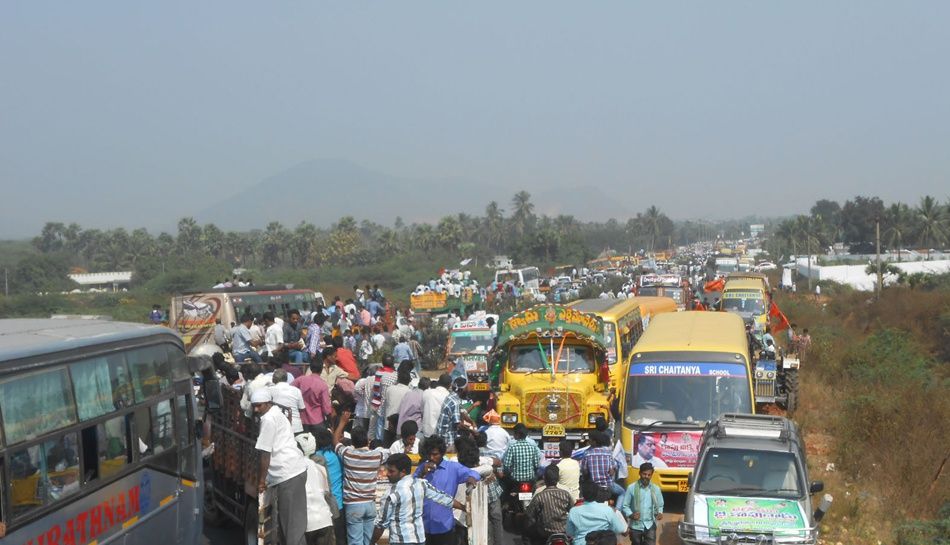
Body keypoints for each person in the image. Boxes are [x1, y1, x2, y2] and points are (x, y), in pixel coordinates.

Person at [251, 388, 309, 545]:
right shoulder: (276, 411)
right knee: (289, 524)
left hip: (288, 472)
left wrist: (261, 481)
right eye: (254, 406)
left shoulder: (268, 419)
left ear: (268, 403)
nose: (256, 410)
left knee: (292, 528)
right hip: (293, 470)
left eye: (259, 406)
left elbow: (265, 453)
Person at [371, 453, 465, 545]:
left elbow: (381, 524)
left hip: (401, 541)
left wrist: (370, 542)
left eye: (391, 471)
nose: (387, 474)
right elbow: (444, 498)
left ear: (403, 471)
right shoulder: (421, 484)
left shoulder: (391, 494)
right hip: (419, 539)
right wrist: (464, 507)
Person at [332, 411, 387, 545]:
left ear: (353, 443)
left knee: (355, 541)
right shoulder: (377, 455)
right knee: (368, 541)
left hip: (353, 505)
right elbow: (387, 452)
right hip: (370, 504)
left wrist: (342, 423)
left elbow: (334, 440)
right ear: (367, 441)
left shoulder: (348, 454)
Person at [414, 435, 480, 545]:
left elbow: (474, 473)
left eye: (435, 454)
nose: (431, 457)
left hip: (444, 527)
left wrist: (471, 479)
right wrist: (422, 473)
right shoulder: (423, 467)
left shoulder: (452, 468)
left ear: (442, 453)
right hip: (424, 526)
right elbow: (412, 485)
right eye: (429, 454)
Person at [295, 433, 336, 545]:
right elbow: (328, 493)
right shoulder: (320, 467)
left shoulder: (296, 468)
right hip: (325, 519)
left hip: (307, 523)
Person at [566, 479, 627, 545]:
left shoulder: (574, 511)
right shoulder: (607, 510)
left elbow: (570, 532)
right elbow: (620, 529)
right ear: (597, 493)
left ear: (582, 494)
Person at [525, 465, 574, 545]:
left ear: (544, 479)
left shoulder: (539, 496)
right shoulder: (565, 494)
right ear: (558, 479)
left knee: (527, 534)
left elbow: (530, 515)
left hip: (545, 533)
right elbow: (573, 511)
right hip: (564, 531)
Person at [621, 462, 664, 545]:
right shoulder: (631, 488)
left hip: (650, 524)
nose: (646, 477)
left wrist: (660, 513)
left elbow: (660, 505)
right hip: (635, 526)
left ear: (651, 475)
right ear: (640, 473)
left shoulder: (656, 489)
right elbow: (625, 506)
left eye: (649, 475)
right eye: (644, 474)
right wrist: (631, 515)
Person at [581, 431, 625, 501]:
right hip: (608, 487)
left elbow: (584, 471)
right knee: (622, 493)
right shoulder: (608, 453)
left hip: (594, 488)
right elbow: (613, 470)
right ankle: (617, 510)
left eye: (590, 440)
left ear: (594, 442)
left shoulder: (587, 453)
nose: (589, 441)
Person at [294, 360, 334, 434]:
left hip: (302, 420)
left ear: (311, 368)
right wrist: (330, 422)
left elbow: (290, 388)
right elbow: (326, 408)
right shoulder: (323, 385)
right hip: (317, 421)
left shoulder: (301, 379)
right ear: (322, 369)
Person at [271, 369, 306, 435]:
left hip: (278, 426)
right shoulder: (296, 390)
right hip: (296, 427)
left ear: (274, 379)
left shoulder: (270, 390)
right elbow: (302, 408)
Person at [382, 370, 412, 445]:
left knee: (387, 448)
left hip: (388, 424)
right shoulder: (409, 392)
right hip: (401, 426)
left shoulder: (390, 389)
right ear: (409, 381)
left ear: (398, 379)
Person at [420, 374, 451, 438]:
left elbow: (422, 411)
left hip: (427, 432)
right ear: (449, 385)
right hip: (441, 433)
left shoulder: (427, 393)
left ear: (438, 382)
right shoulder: (449, 397)